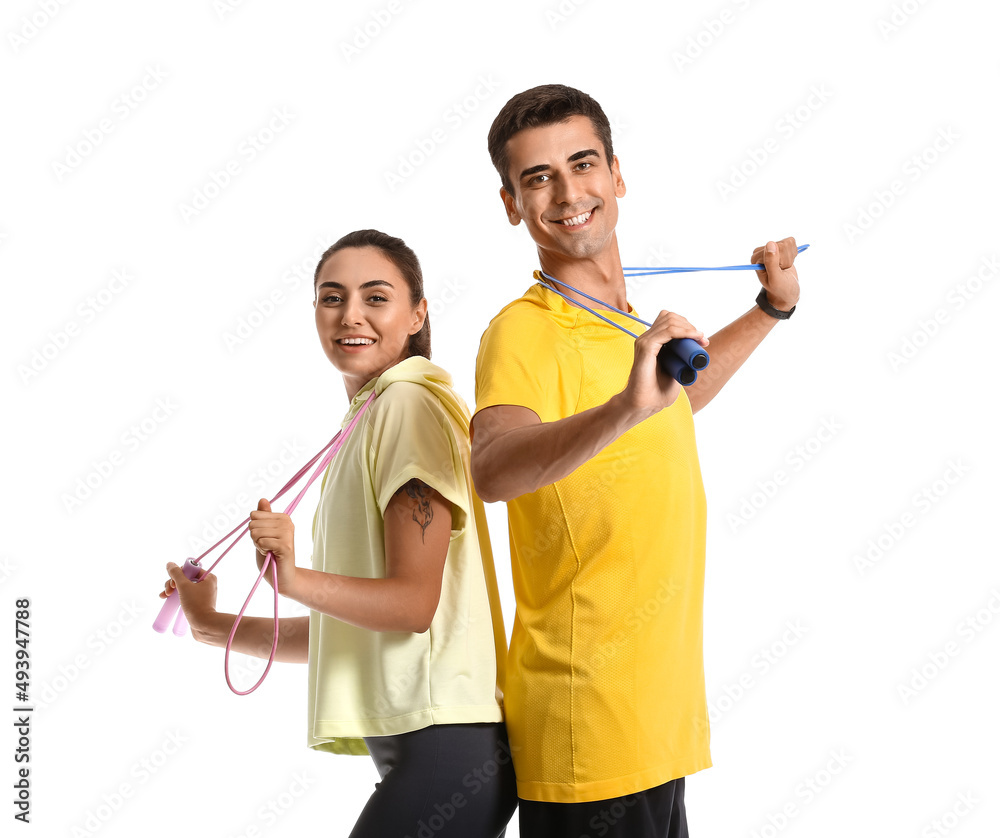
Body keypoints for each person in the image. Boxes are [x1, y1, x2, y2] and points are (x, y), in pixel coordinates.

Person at [470, 84, 802, 837]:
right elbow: (492, 467)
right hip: (588, 722)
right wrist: (622, 405)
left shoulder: (621, 324)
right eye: (537, 177)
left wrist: (770, 309)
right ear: (510, 205)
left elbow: (672, 402)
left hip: (653, 719)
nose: (566, 191)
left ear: (617, 174)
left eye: (582, 164)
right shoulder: (524, 333)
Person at [161, 229, 517, 837]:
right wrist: (209, 624)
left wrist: (294, 577)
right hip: (432, 749)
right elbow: (351, 627)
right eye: (332, 297)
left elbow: (410, 606)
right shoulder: (370, 415)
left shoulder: (407, 406)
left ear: (417, 314)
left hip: (447, 748)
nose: (351, 315)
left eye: (376, 297)